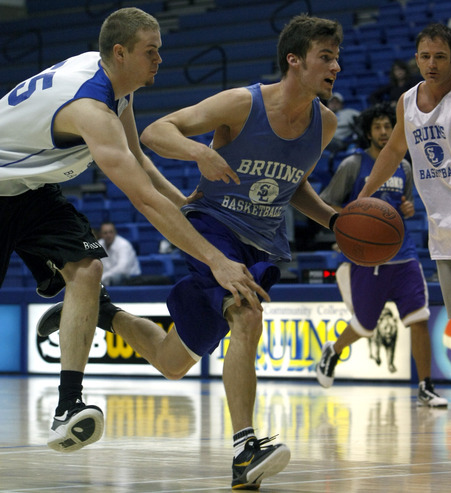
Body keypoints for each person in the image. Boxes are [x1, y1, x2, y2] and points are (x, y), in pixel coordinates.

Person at [38, 13, 344, 489]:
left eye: (337, 58)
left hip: (261, 241)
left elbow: (293, 183)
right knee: (247, 312)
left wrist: (333, 219)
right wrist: (200, 152)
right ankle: (245, 449)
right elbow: (156, 132)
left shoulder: (323, 124)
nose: (335, 67)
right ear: (295, 61)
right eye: (325, 57)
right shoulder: (243, 103)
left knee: (171, 360)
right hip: (213, 228)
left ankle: (99, 311)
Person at [1, 7, 269, 454]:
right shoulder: (90, 107)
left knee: (87, 267)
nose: (160, 59)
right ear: (121, 52)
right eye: (152, 52)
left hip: (30, 190)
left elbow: (140, 161)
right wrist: (216, 259)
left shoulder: (114, 84)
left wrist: (186, 203)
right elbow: (142, 199)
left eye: (160, 50)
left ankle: (68, 406)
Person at [357, 23, 451, 445]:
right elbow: (394, 150)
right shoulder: (406, 102)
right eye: (424, 57)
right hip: (445, 231)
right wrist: (363, 197)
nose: (432, 64)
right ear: (416, 58)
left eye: (440, 56)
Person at [316, 103, 447, 407]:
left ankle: (426, 385)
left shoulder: (404, 166)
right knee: (365, 325)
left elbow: (406, 204)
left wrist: (408, 209)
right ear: (368, 131)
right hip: (367, 258)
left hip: (405, 254)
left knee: (419, 317)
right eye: (378, 127)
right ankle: (333, 351)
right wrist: (355, 220)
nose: (384, 131)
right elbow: (328, 204)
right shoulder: (352, 164)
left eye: (388, 126)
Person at [98, 221, 141, 285]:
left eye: (111, 232)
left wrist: (104, 276)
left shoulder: (123, 245)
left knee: (117, 277)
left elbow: (122, 268)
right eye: (105, 233)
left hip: (130, 278)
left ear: (115, 232)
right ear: (101, 234)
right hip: (107, 278)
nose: (108, 235)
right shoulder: (98, 244)